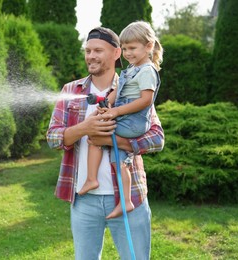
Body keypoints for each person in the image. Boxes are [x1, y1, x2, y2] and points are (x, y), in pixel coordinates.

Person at [46, 26, 164, 260]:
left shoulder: (133, 87)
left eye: (98, 50)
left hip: (130, 197)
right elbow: (52, 137)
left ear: (117, 53)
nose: (91, 56)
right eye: (88, 50)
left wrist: (116, 141)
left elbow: (157, 138)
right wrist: (85, 129)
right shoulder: (71, 90)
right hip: (84, 200)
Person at [78, 21, 163, 219]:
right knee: (120, 161)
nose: (127, 53)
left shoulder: (147, 71)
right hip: (126, 118)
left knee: (95, 133)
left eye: (132, 48)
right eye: (124, 48)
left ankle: (91, 179)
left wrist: (115, 112)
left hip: (133, 122)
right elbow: (117, 91)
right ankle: (126, 201)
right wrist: (106, 103)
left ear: (149, 46)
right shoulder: (132, 70)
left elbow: (146, 100)